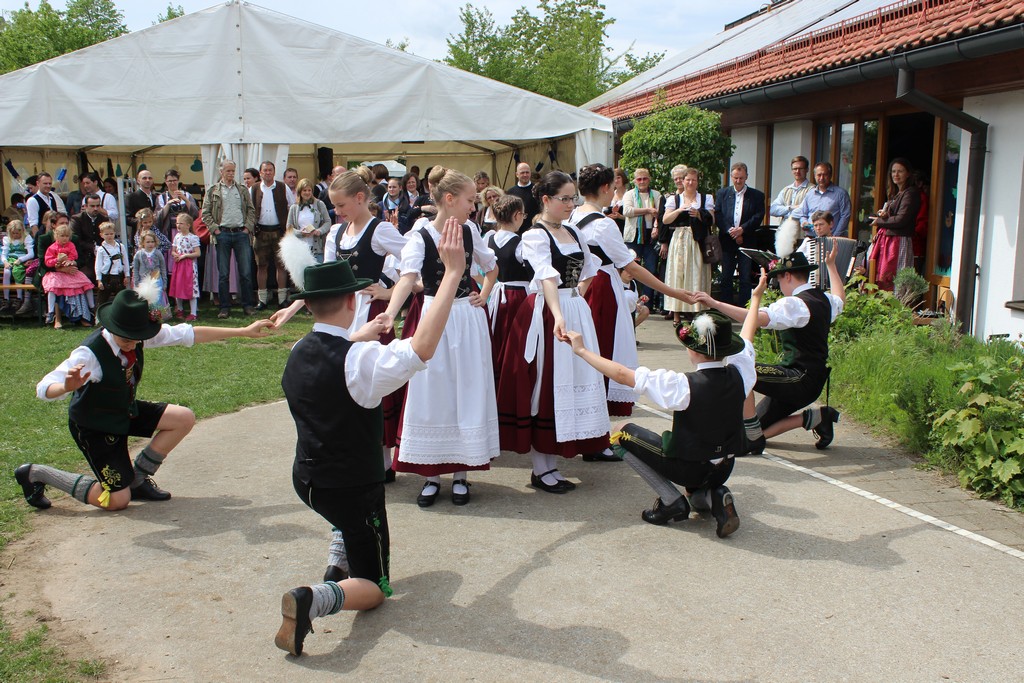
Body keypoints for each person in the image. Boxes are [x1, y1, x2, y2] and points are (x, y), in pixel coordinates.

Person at [273, 221, 467, 657]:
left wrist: (359, 334)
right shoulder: (361, 361)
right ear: (350, 299)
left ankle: (339, 550)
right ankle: (314, 597)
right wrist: (452, 275)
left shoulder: (299, 350)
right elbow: (421, 347)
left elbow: (336, 349)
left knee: (347, 523)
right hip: (351, 488)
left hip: (307, 480)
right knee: (377, 588)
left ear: (309, 307)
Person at [14, 288, 271, 514]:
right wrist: (66, 387)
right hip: (95, 426)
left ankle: (137, 479)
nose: (133, 343)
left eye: (137, 338)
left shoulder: (138, 335)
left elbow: (187, 334)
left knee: (183, 418)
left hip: (123, 411)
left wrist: (245, 331)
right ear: (111, 327)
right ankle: (36, 473)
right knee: (116, 501)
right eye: (126, 339)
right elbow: (43, 387)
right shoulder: (89, 353)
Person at [566, 284, 763, 537]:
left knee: (619, 432)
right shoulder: (742, 373)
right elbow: (748, 336)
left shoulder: (682, 385)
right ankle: (716, 496)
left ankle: (671, 501)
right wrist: (755, 298)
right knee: (697, 492)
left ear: (692, 350)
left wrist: (581, 350)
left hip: (689, 467)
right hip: (724, 466)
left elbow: (622, 374)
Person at [381, 167, 498, 507]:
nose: (473, 207)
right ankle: (432, 475)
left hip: (466, 317)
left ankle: (462, 475)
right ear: (450, 199)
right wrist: (391, 312)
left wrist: (485, 293)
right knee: (433, 389)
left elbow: (492, 267)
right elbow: (407, 277)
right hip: (435, 317)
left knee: (467, 388)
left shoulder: (471, 231)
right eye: (470, 200)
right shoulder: (421, 235)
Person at [496, 170, 610, 492]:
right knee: (544, 385)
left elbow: (590, 268)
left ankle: (553, 463)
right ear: (546, 200)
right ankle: (540, 468)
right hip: (545, 315)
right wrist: (559, 312)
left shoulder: (574, 231)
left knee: (571, 381)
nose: (571, 204)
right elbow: (546, 277)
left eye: (573, 197)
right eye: (564, 198)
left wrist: (577, 301)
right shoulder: (535, 235)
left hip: (571, 308)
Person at [572, 163, 696, 426]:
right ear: (606, 188)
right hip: (601, 289)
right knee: (605, 353)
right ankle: (597, 434)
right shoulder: (603, 225)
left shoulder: (571, 217)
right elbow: (630, 267)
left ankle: (587, 427)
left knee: (586, 355)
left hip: (578, 289)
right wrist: (675, 293)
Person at [695, 241, 846, 453]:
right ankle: (819, 417)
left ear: (788, 276)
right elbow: (840, 298)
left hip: (798, 377)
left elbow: (754, 318)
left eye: (778, 278)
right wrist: (831, 266)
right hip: (811, 379)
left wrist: (716, 304)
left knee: (740, 369)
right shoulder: (824, 299)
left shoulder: (795, 304)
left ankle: (751, 438)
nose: (778, 285)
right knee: (752, 427)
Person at [659, 165, 715, 323]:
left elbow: (712, 219)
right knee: (677, 275)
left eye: (693, 180)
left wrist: (699, 214)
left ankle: (698, 311)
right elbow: (665, 219)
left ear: (697, 182)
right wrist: (679, 210)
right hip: (680, 239)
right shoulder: (674, 199)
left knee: (697, 273)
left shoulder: (706, 198)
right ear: (682, 181)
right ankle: (676, 315)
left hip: (698, 240)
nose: (690, 183)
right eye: (688, 180)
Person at [202, 160, 256, 319]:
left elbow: (251, 210)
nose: (231, 174)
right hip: (223, 233)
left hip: (241, 233)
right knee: (223, 273)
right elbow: (205, 213)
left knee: (245, 272)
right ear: (221, 172)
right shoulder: (213, 190)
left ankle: (247, 305)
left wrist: (247, 228)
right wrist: (215, 230)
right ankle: (224, 307)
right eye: (228, 171)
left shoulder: (242, 190)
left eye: (233, 171)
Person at [485, 194, 530, 377]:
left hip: (497, 294)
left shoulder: (489, 239)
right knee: (516, 342)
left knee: (498, 336)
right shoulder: (521, 243)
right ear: (517, 215)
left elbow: (477, 269)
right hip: (518, 297)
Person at [714, 162, 766, 307]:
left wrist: (742, 230)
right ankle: (725, 308)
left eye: (741, 178)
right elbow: (718, 214)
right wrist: (730, 231)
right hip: (727, 240)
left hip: (747, 240)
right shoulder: (723, 194)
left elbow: (758, 216)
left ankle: (744, 308)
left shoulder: (756, 195)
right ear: (731, 177)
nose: (738, 181)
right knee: (726, 277)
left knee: (745, 277)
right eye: (735, 178)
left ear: (746, 177)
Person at [870, 157, 921, 292]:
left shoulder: (911, 193)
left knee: (896, 280)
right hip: (889, 241)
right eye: (893, 171)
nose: (896, 175)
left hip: (899, 242)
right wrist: (885, 215)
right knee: (883, 278)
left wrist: (879, 221)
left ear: (908, 173)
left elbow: (901, 220)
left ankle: (896, 310)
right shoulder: (897, 193)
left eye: (900, 171)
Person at [251, 161, 291, 311]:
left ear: (274, 172)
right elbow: (250, 209)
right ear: (260, 173)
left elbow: (291, 206)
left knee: (281, 265)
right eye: (265, 170)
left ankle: (282, 300)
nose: (267, 173)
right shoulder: (254, 189)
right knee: (261, 266)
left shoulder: (283, 187)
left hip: (279, 231)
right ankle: (262, 300)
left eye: (270, 170)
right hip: (260, 232)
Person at [621, 168, 662, 306]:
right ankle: (632, 300)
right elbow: (627, 211)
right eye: (639, 179)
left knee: (650, 270)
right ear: (634, 181)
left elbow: (660, 214)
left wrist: (656, 225)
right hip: (634, 236)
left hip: (651, 235)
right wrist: (648, 210)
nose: (642, 181)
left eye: (645, 178)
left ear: (649, 179)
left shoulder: (656, 195)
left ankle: (647, 303)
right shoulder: (629, 194)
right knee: (632, 269)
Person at [43, 222, 95, 328]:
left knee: (87, 284)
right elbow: (47, 261)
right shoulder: (52, 248)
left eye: (67, 236)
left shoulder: (71, 245)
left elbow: (74, 255)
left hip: (70, 273)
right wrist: (56, 261)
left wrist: (71, 261)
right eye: (62, 236)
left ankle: (92, 307)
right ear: (56, 236)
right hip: (57, 273)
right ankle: (51, 311)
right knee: (53, 288)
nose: (65, 239)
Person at [792, 162, 852, 238]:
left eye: (825, 175)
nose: (821, 178)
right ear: (814, 176)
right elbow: (803, 214)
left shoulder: (841, 194)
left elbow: (845, 216)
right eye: (819, 175)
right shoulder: (810, 194)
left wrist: (835, 236)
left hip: (831, 239)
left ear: (830, 175)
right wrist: (804, 222)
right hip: (811, 238)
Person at [286, 178, 332, 262]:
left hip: (317, 247)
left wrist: (319, 231)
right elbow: (289, 227)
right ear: (300, 191)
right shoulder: (294, 207)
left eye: (309, 190)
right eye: (304, 190)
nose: (307, 193)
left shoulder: (319, 204)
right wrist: (300, 233)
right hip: (300, 247)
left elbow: (328, 221)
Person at [169, 214, 201, 321]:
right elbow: (173, 250)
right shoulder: (177, 236)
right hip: (179, 265)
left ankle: (193, 313)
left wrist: (185, 256)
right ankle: (180, 309)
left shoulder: (193, 237)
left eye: (181, 223)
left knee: (191, 288)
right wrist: (175, 255)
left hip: (189, 266)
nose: (178, 225)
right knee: (178, 286)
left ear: (188, 225)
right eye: (177, 223)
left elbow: (197, 253)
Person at [70, 193, 106, 283]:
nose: (96, 209)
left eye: (98, 206)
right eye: (92, 206)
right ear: (85, 206)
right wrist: (93, 247)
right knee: (86, 276)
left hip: (101, 258)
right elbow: (76, 240)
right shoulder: (77, 219)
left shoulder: (104, 219)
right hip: (84, 258)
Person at [1, 220, 35, 315]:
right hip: (10, 259)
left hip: (21, 259)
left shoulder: (26, 238)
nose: (15, 235)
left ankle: (19, 297)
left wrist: (20, 260)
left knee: (17, 273)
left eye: (17, 233)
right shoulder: (7, 239)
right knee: (7, 273)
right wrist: (5, 262)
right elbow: (4, 254)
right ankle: (6, 299)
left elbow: (31, 253)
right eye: (13, 233)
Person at [155, 169, 200, 239]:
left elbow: (195, 213)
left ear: (178, 181)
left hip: (185, 231)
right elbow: (158, 218)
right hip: (168, 231)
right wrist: (168, 204)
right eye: (170, 181)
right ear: (166, 182)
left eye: (174, 180)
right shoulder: (161, 197)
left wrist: (185, 199)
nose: (172, 183)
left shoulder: (187, 195)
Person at [93, 221, 129, 307]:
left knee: (121, 299)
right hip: (107, 277)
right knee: (102, 300)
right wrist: (99, 280)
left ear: (114, 233)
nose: (109, 236)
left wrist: (127, 275)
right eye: (106, 234)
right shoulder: (101, 249)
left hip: (119, 276)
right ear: (101, 235)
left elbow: (125, 262)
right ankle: (98, 318)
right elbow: (98, 265)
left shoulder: (120, 246)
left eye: (111, 233)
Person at [769, 156, 811, 222]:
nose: (797, 171)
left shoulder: (812, 190)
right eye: (795, 169)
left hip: (802, 230)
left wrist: (783, 210)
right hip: (785, 229)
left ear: (807, 170)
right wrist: (790, 208)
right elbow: (772, 210)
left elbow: (804, 210)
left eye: (801, 168)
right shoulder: (786, 190)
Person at [125, 169, 160, 237]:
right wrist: (144, 221)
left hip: (156, 235)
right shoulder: (132, 197)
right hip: (140, 236)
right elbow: (128, 219)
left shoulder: (156, 197)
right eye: (144, 178)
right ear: (138, 181)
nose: (147, 180)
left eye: (150, 178)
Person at [606, 167, 627, 234]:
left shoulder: (629, 195)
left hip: (624, 230)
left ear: (623, 178)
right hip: (610, 230)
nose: (616, 181)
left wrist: (620, 216)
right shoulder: (610, 194)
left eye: (618, 178)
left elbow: (634, 218)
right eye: (614, 179)